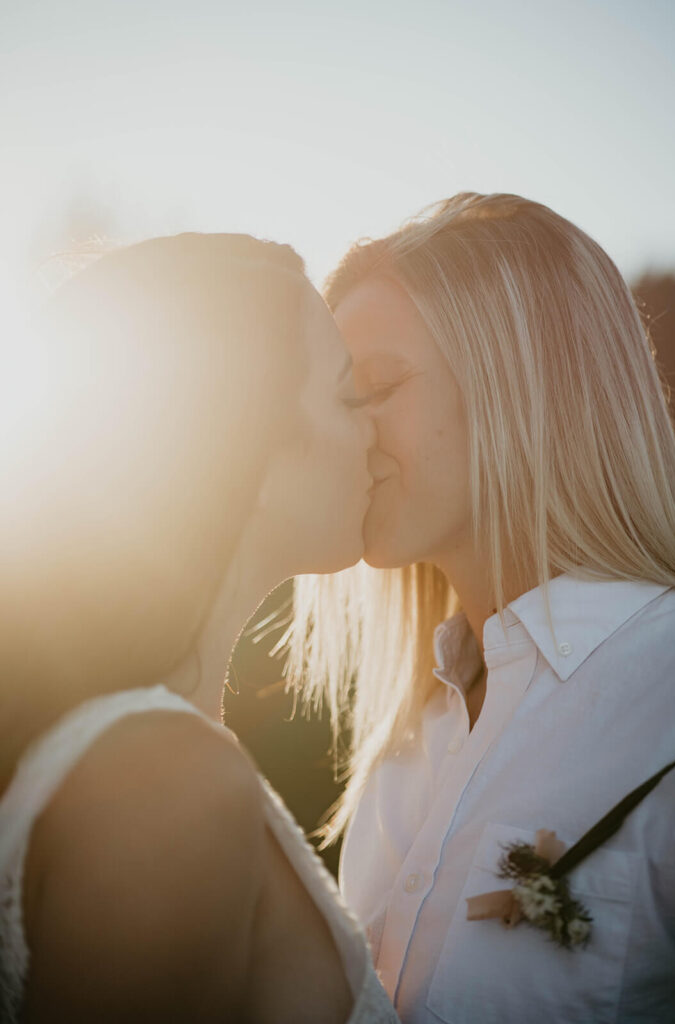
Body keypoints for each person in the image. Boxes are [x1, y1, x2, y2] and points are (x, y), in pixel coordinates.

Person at [286, 193, 675, 1023]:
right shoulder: (405, 744)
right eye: (336, 400)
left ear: (522, 383)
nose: (345, 433)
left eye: (378, 386)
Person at [0, 233, 400, 1023]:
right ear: (241, 442)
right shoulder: (164, 777)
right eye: (348, 396)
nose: (373, 434)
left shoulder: (123, 746)